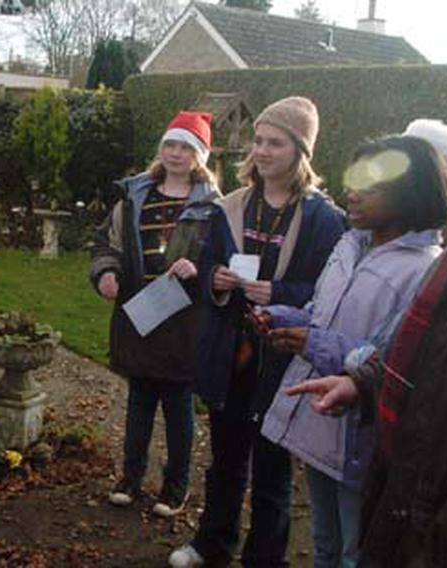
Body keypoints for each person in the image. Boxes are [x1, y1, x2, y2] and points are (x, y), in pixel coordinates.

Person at [285, 57, 447, 567]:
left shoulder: (427, 265)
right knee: (330, 542)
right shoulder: (351, 244)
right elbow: (408, 354)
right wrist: (358, 377)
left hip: (374, 447)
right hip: (338, 415)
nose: (353, 193)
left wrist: (322, 349)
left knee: (353, 545)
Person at [169, 96, 345, 568]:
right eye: (259, 141)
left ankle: (265, 558)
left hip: (281, 358)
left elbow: (332, 291)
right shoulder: (228, 208)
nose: (262, 151)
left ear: (301, 152)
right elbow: (205, 269)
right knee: (224, 461)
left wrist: (281, 291)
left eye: (276, 143)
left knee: (272, 470)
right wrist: (216, 281)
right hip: (230, 353)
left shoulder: (324, 219)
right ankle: (213, 543)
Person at [91, 111, 221, 517]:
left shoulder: (214, 206)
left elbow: (225, 258)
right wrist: (107, 273)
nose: (176, 153)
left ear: (199, 154)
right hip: (137, 315)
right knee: (139, 402)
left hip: (184, 322)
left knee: (179, 408)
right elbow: (106, 245)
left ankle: (175, 485)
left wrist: (200, 269)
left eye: (186, 147)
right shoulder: (133, 199)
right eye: (170, 144)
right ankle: (130, 477)